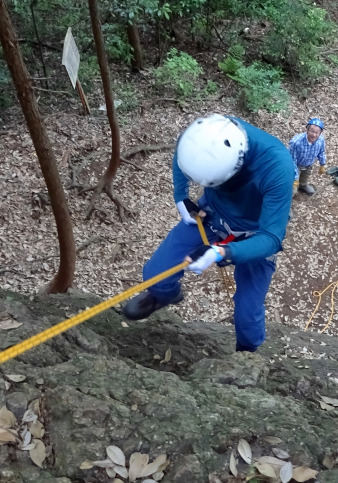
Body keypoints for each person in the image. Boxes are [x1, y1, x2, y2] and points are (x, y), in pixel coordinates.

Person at [122, 113, 295, 352]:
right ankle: (164, 294)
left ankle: (247, 351)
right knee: (156, 273)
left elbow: (272, 239)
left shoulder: (277, 167)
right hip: (212, 214)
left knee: (247, 312)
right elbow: (184, 154)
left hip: (255, 233)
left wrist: (221, 251)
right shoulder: (205, 134)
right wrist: (181, 196)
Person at [288, 118, 327, 196]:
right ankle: (287, 199)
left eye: (317, 132)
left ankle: (303, 185)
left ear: (320, 133)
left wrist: (322, 164)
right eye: (312, 131)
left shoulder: (321, 140)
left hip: (308, 165)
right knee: (292, 190)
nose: (314, 135)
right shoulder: (296, 142)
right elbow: (292, 160)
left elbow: (321, 152)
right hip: (296, 166)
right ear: (307, 130)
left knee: (305, 178)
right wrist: (295, 177)